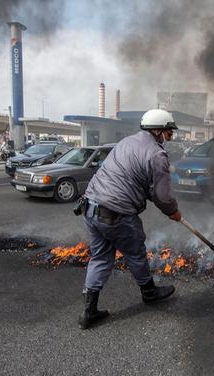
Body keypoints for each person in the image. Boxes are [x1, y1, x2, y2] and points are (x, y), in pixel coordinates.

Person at [78, 109, 183, 329]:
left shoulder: (125, 142)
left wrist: (146, 191)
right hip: (117, 215)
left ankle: (89, 313)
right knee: (135, 253)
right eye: (169, 133)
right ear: (157, 131)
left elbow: (127, 176)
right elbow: (163, 196)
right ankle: (149, 293)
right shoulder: (157, 155)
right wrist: (172, 211)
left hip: (90, 209)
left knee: (100, 257)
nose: (170, 138)